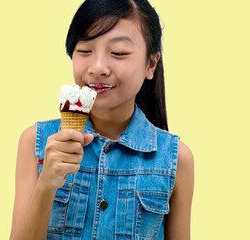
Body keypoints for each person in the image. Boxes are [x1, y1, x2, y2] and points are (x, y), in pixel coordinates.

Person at [10, 0, 194, 239]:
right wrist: (46, 185)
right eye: (85, 50)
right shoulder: (36, 142)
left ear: (151, 64)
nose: (98, 68)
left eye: (118, 53)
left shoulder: (176, 158)